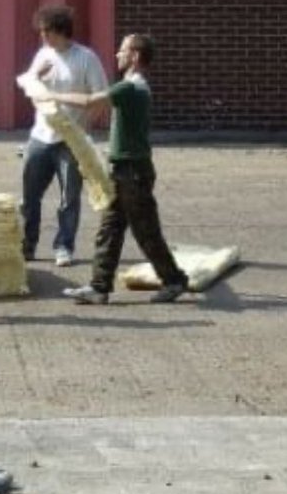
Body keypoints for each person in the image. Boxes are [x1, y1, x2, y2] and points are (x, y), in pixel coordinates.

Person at [40, 33, 189, 305]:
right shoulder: (132, 87)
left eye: (122, 50)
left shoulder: (131, 88)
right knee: (110, 229)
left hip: (133, 173)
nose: (117, 55)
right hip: (124, 171)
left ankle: (174, 280)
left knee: (146, 232)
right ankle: (99, 287)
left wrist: (52, 94)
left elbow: (89, 101)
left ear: (134, 56)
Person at [17, 5, 109, 267]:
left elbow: (100, 97)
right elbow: (26, 84)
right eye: (41, 31)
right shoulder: (43, 55)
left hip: (71, 139)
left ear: (62, 31)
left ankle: (63, 246)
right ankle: (28, 245)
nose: (43, 36)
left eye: (47, 31)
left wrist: (83, 129)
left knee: (69, 196)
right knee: (30, 194)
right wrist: (36, 75)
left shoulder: (86, 58)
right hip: (40, 136)